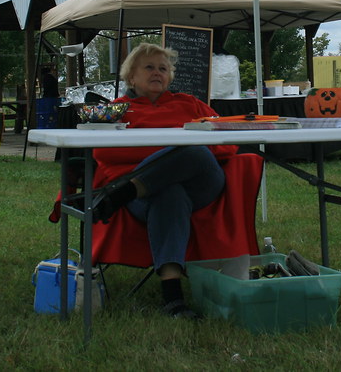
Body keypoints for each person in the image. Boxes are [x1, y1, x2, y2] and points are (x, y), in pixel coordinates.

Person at [91, 43, 234, 319]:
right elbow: (103, 151)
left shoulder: (190, 104)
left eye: (163, 68)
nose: (157, 73)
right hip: (147, 198)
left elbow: (227, 141)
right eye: (149, 67)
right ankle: (173, 298)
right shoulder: (117, 109)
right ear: (131, 77)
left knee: (194, 151)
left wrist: (165, 155)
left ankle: (123, 192)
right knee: (170, 192)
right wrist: (168, 158)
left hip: (200, 183)